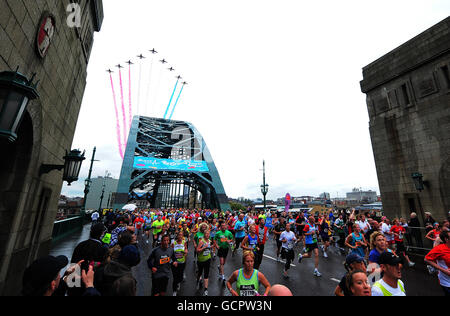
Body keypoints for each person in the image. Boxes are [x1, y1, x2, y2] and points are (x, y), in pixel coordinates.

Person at [68, 222, 109, 296]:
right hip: (93, 285)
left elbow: (73, 265)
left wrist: (71, 288)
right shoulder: (103, 249)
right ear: (102, 233)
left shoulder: (80, 245)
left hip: (77, 283)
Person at [424, 230, 450, 296]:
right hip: (447, 282)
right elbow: (427, 259)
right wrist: (444, 270)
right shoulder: (439, 249)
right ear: (446, 239)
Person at [171, 231, 188, 296]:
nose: (180, 236)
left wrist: (186, 251)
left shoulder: (184, 242)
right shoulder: (174, 243)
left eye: (181, 235)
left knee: (180, 277)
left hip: (182, 262)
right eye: (179, 235)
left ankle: (178, 282)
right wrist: (173, 260)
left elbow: (186, 249)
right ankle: (174, 291)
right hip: (175, 263)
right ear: (177, 236)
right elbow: (171, 252)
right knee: (175, 277)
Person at [196, 229, 212, 296]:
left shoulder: (209, 241)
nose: (207, 235)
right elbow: (197, 250)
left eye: (208, 234)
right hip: (201, 260)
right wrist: (203, 248)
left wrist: (211, 247)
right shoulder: (201, 242)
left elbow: (209, 248)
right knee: (200, 273)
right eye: (206, 234)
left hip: (208, 259)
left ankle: (205, 290)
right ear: (204, 234)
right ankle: (197, 280)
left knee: (206, 274)